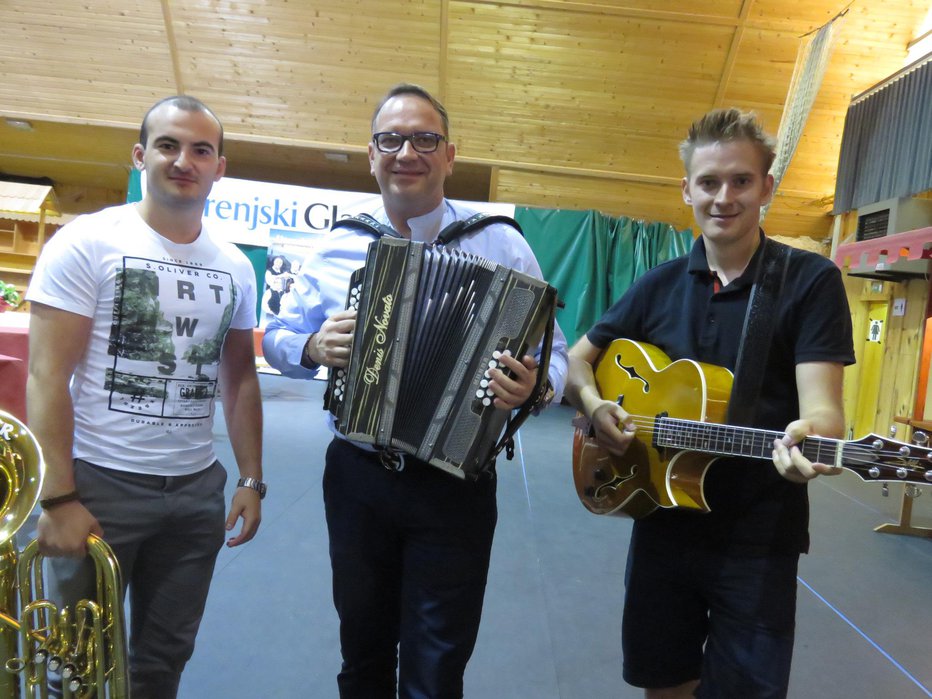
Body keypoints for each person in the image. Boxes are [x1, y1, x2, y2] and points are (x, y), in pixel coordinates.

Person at [263, 83, 568, 699]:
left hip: (456, 485)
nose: (408, 152)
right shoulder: (335, 245)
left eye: (425, 139)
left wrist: (536, 387)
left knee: (437, 667)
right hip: (357, 476)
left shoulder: (502, 242)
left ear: (449, 156)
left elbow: (554, 355)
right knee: (363, 654)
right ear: (371, 154)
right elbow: (275, 338)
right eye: (391, 139)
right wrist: (310, 348)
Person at [564, 108, 855, 699]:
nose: (725, 197)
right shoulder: (660, 283)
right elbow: (576, 361)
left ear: (766, 187)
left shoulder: (809, 281)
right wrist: (597, 408)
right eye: (709, 182)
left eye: (741, 181)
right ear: (687, 190)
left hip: (757, 536)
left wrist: (814, 440)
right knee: (662, 682)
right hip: (660, 520)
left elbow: (823, 411)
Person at [26, 95, 265, 699]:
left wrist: (250, 479)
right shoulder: (88, 242)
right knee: (75, 667)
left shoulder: (235, 267)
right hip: (99, 486)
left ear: (219, 168)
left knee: (162, 664)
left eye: (200, 150)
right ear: (140, 156)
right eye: (168, 145)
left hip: (193, 496)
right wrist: (58, 498)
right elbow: (47, 375)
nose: (184, 160)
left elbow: (238, 378)